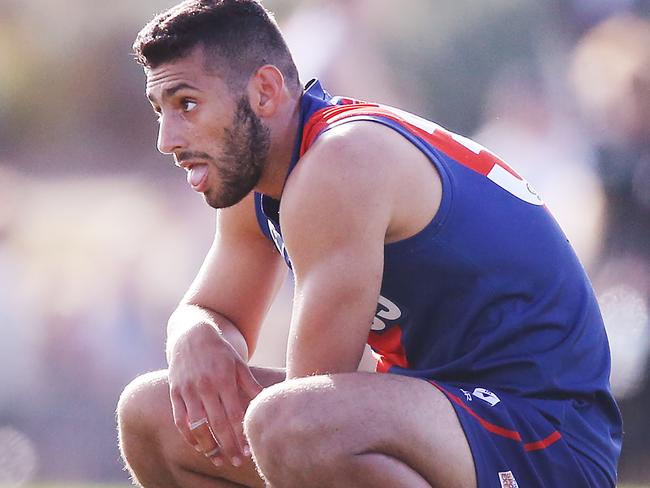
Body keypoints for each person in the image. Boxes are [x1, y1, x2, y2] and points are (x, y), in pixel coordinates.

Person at [116, 1, 622, 486]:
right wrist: (193, 335)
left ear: (265, 92)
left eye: (187, 105)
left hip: (543, 431)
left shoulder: (340, 161)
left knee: (288, 427)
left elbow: (309, 404)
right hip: (438, 417)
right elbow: (213, 312)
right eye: (160, 109)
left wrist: (224, 361)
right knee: (151, 416)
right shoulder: (256, 174)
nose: (167, 138)